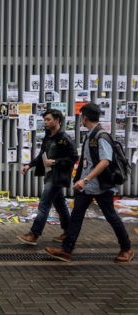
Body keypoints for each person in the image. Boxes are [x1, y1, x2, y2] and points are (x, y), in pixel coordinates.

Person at [45, 103, 134, 262]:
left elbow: (105, 161)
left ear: (85, 117)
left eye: (81, 117)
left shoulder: (101, 136)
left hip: (101, 187)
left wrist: (85, 179)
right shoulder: (91, 135)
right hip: (87, 187)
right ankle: (66, 250)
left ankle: (127, 248)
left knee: (111, 217)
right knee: (76, 217)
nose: (81, 120)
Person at [17, 109, 78, 245]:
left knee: (44, 204)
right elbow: (42, 154)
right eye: (45, 120)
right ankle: (68, 232)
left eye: (48, 119)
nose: (45, 122)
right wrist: (30, 165)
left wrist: (56, 162)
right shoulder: (48, 136)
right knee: (60, 204)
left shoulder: (64, 138)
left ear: (57, 121)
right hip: (50, 174)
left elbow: (74, 157)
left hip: (58, 176)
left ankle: (34, 234)